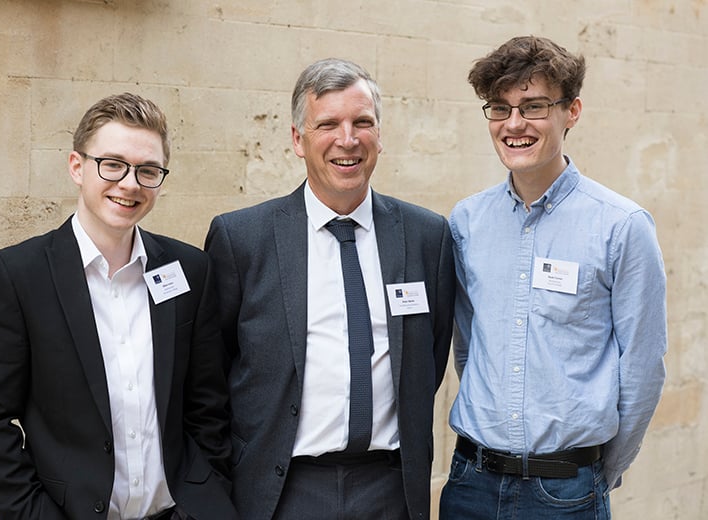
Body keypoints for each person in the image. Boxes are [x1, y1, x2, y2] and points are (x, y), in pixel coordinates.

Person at [0, 93, 237, 520]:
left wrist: (207, 494)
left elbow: (208, 408)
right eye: (113, 164)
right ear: (77, 166)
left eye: (148, 170)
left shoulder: (189, 270)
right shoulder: (19, 276)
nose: (130, 184)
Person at [204, 58, 455, 519]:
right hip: (281, 491)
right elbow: (212, 374)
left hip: (391, 490)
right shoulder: (243, 239)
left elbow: (428, 357)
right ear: (298, 139)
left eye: (363, 122)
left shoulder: (427, 236)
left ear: (379, 134)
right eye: (328, 124)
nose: (348, 139)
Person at [439, 36, 667, 519]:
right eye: (500, 108)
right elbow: (468, 345)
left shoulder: (622, 226)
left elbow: (642, 367)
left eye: (533, 106)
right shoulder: (466, 222)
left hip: (565, 494)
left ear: (572, 112)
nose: (514, 124)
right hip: (470, 484)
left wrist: (596, 472)